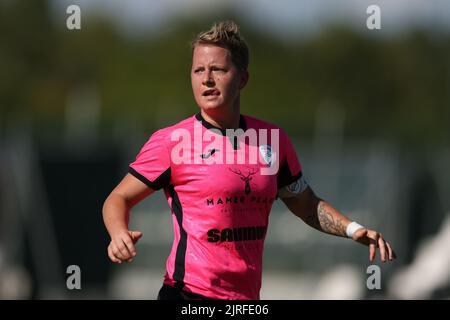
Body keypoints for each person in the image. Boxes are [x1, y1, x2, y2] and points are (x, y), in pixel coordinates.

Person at [102, 20, 396, 300]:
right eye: (198, 70)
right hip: (186, 294)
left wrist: (353, 229)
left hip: (246, 299)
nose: (206, 79)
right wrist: (118, 234)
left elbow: (306, 204)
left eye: (218, 69)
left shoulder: (272, 139)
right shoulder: (173, 141)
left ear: (242, 78)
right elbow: (118, 198)